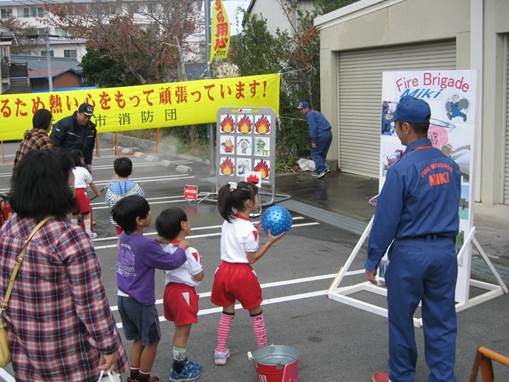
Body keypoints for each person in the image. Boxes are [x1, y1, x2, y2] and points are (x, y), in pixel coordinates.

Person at [0, 150, 127, 381]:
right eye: (69, 178)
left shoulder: (9, 229)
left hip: (25, 355)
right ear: (56, 187)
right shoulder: (69, 237)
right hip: (68, 359)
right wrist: (109, 348)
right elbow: (91, 304)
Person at [366, 96, 461, 382]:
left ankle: (402, 376)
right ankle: (443, 378)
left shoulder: (401, 169)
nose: (395, 128)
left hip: (410, 254)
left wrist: (372, 259)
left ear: (406, 127)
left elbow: (386, 221)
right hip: (445, 251)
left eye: (396, 123)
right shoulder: (450, 166)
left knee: (401, 320)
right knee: (442, 321)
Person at [112, 195, 189, 382]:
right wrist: (182, 248)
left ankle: (134, 376)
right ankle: (145, 378)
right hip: (140, 302)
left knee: (138, 339)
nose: (150, 214)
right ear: (139, 221)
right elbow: (170, 262)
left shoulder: (124, 237)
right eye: (147, 213)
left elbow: (141, 248)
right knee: (152, 341)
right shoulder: (145, 245)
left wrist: (156, 242)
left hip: (123, 297)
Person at [211, 181, 285, 366]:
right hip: (241, 275)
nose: (259, 198)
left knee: (227, 311)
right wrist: (270, 242)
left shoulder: (228, 221)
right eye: (257, 196)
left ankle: (220, 351)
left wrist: (255, 226)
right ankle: (263, 350)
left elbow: (240, 230)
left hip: (223, 272)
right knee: (255, 311)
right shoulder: (249, 230)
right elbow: (251, 258)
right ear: (249, 204)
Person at [156, 207, 204, 382]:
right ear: (183, 225)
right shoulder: (189, 250)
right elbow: (198, 275)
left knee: (178, 329)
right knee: (184, 332)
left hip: (169, 291)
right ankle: (178, 370)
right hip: (184, 292)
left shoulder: (167, 248)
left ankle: (180, 361)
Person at [50, 102, 96, 172]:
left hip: (80, 164)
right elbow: (53, 144)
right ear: (78, 113)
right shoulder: (64, 124)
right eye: (85, 116)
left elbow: (90, 148)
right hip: (64, 163)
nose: (87, 119)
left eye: (89, 117)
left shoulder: (91, 129)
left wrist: (88, 163)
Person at [105, 157, 145, 235]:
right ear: (131, 171)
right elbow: (142, 200)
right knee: (136, 237)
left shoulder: (110, 188)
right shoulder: (136, 187)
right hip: (133, 220)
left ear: (115, 171)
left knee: (121, 238)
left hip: (118, 221)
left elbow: (107, 202)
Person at [297, 100, 333, 178]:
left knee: (315, 153)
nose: (300, 111)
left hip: (321, 135)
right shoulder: (316, 113)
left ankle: (323, 169)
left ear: (307, 108)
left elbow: (313, 128)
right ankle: (320, 171)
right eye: (299, 109)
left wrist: (313, 141)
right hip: (329, 134)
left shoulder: (309, 114)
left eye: (301, 109)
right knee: (321, 154)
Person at [12, 108, 53, 174]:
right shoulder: (43, 139)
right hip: (32, 181)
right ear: (47, 122)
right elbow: (51, 165)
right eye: (51, 121)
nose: (51, 125)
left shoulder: (28, 136)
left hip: (19, 179)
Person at [71, 149, 101, 239]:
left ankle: (74, 234)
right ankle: (88, 232)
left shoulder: (69, 170)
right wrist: (97, 193)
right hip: (81, 193)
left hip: (71, 193)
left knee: (74, 214)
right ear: (80, 159)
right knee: (86, 213)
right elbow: (91, 183)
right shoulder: (83, 170)